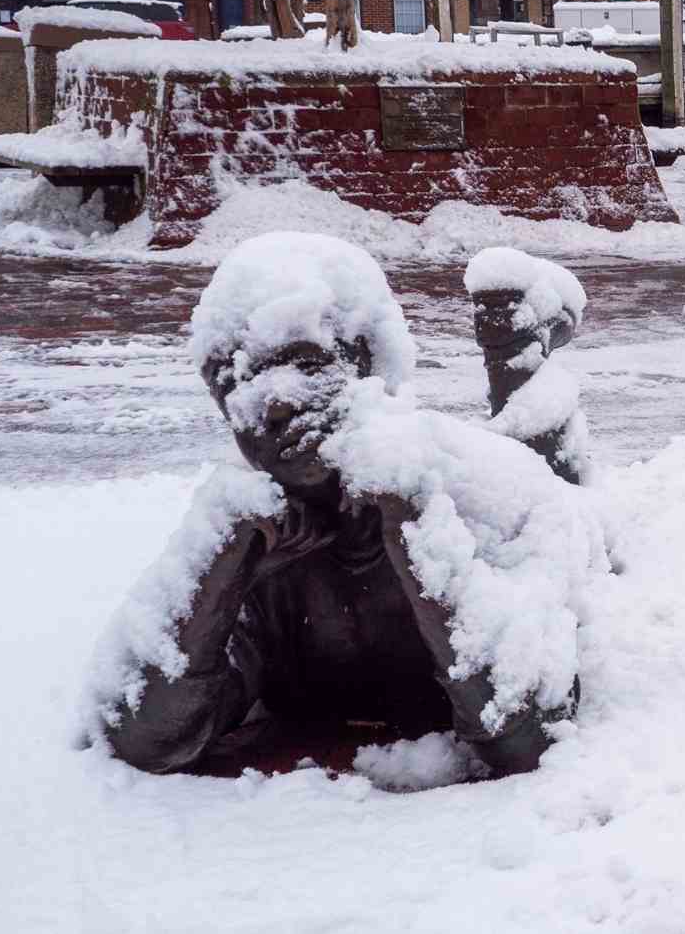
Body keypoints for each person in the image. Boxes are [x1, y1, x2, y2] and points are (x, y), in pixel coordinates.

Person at [90, 234, 601, 779]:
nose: (275, 403)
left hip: (549, 514)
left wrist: (417, 530)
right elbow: (145, 741)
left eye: (306, 365)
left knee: (558, 477)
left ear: (369, 368)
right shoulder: (255, 534)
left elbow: (528, 740)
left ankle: (520, 348)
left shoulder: (488, 492)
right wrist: (219, 564)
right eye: (233, 380)